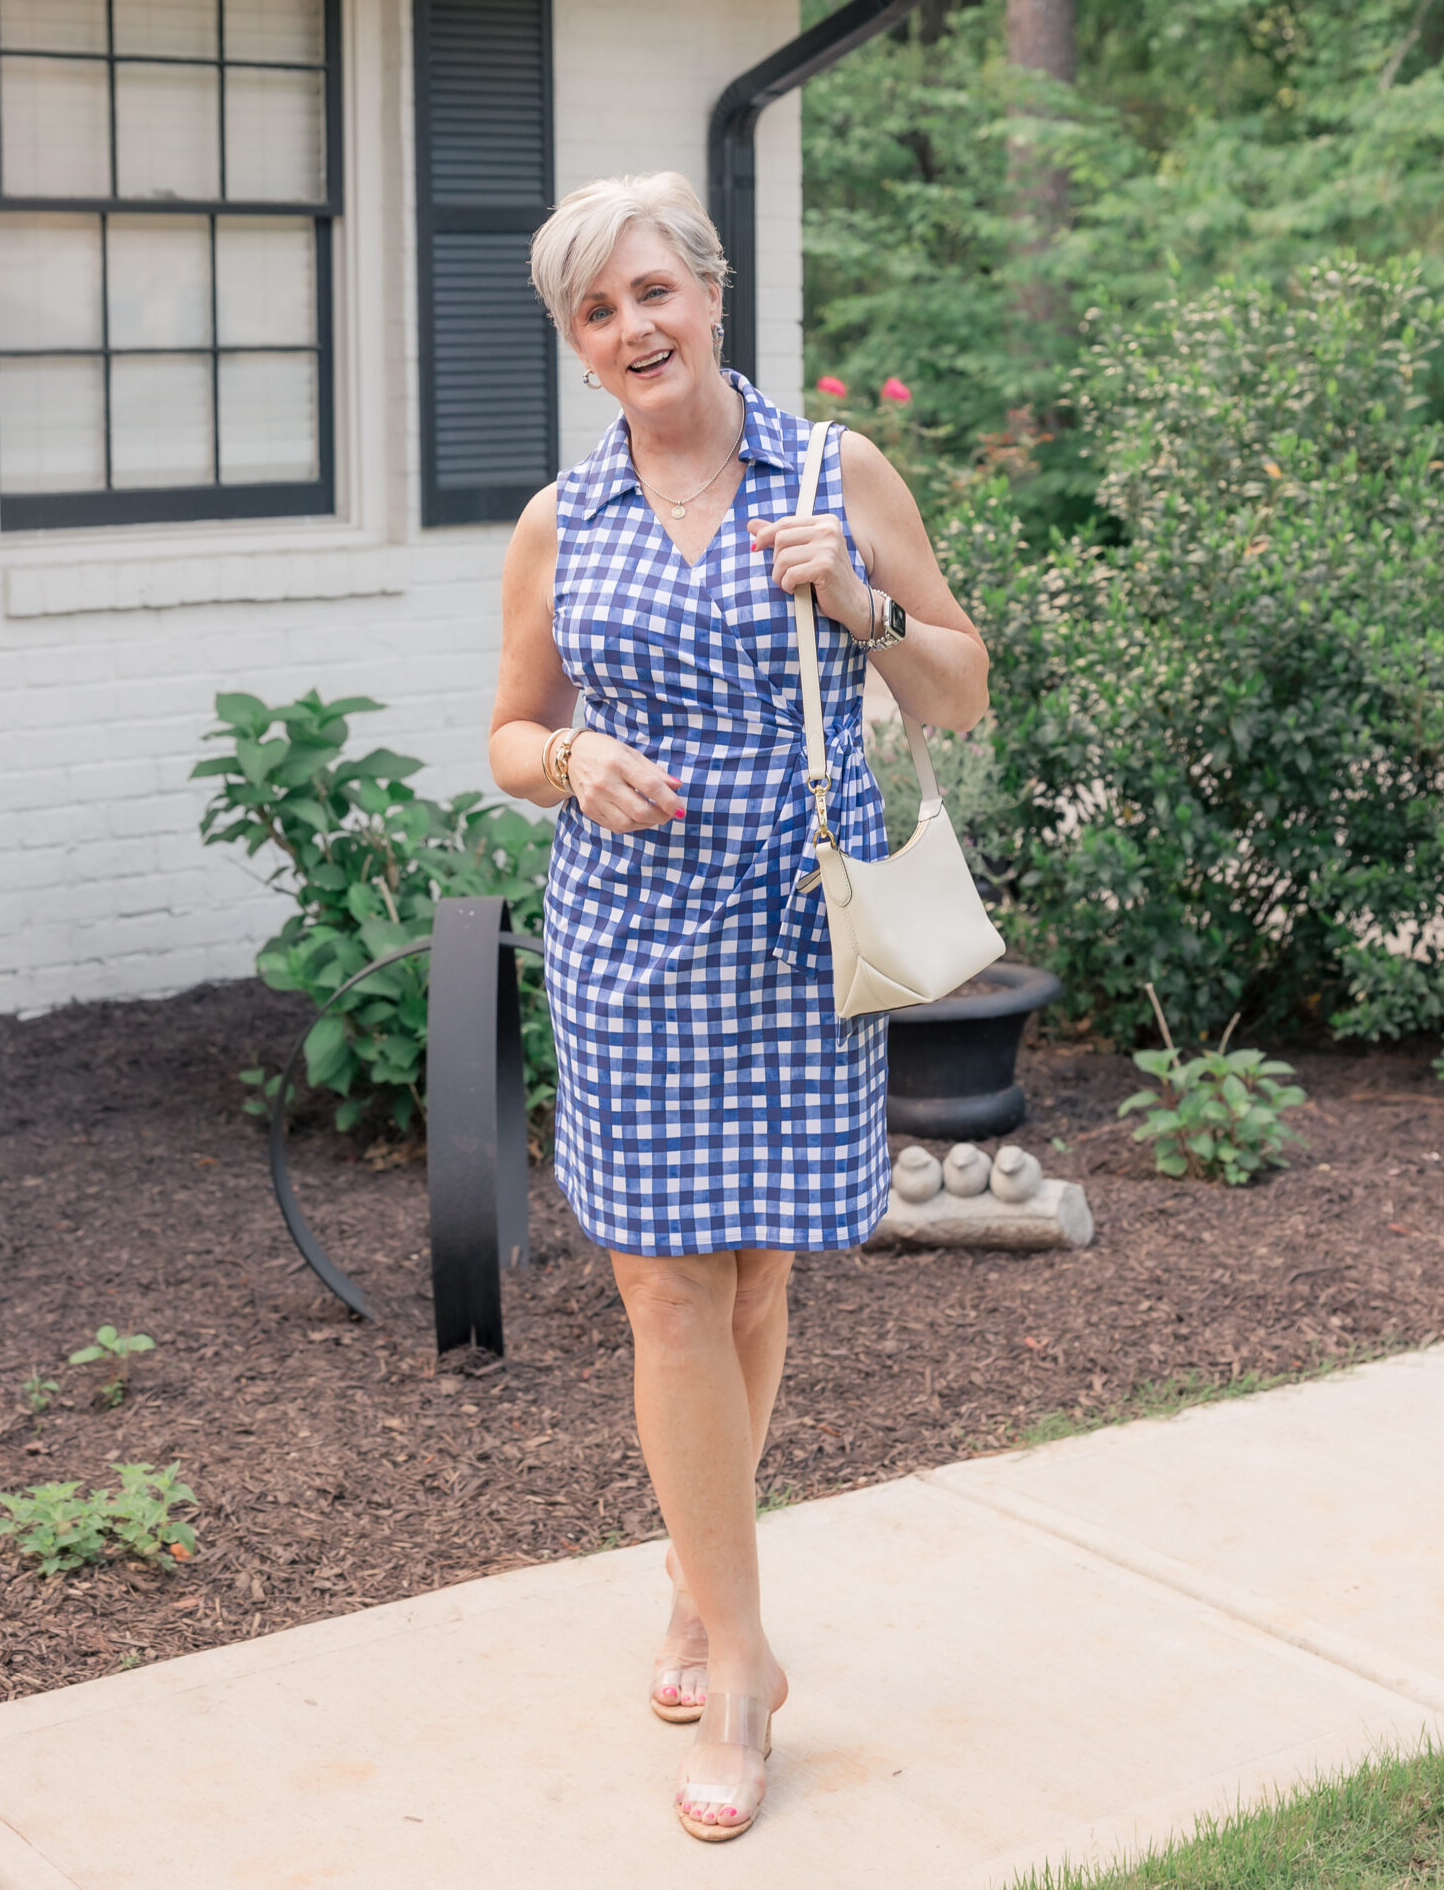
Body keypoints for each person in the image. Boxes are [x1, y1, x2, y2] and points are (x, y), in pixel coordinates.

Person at [488, 171, 988, 1842]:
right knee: (662, 1287)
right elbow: (504, 735)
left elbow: (962, 687)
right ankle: (750, 1654)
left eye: (652, 293)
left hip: (792, 935)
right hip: (632, 944)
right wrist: (572, 758)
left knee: (759, 1267)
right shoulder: (565, 520)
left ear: (709, 292)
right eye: (597, 312)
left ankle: (703, 1590)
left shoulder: (834, 469)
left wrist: (858, 598)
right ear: (581, 347)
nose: (633, 329)